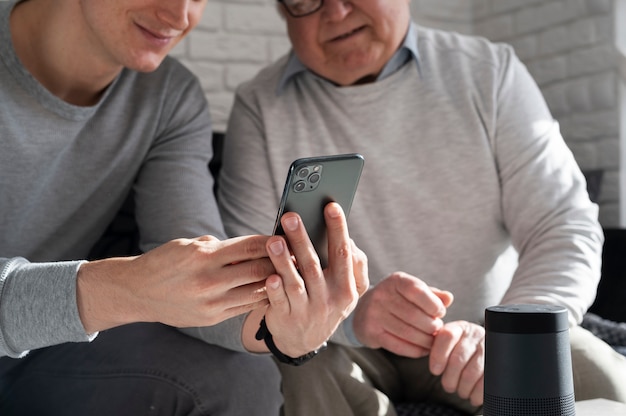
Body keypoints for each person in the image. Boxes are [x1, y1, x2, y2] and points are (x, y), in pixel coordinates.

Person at [217, 0, 626, 414]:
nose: (337, 13)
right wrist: (352, 317)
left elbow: (563, 225)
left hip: (489, 335)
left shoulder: (489, 71)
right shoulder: (259, 105)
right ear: (283, 10)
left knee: (605, 381)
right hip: (338, 341)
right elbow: (249, 287)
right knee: (290, 367)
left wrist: (510, 337)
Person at [0, 0, 368, 414]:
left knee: (245, 378)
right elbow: (141, 289)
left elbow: (194, 273)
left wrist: (282, 329)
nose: (179, 17)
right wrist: (124, 288)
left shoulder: (167, 97)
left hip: (44, 354)